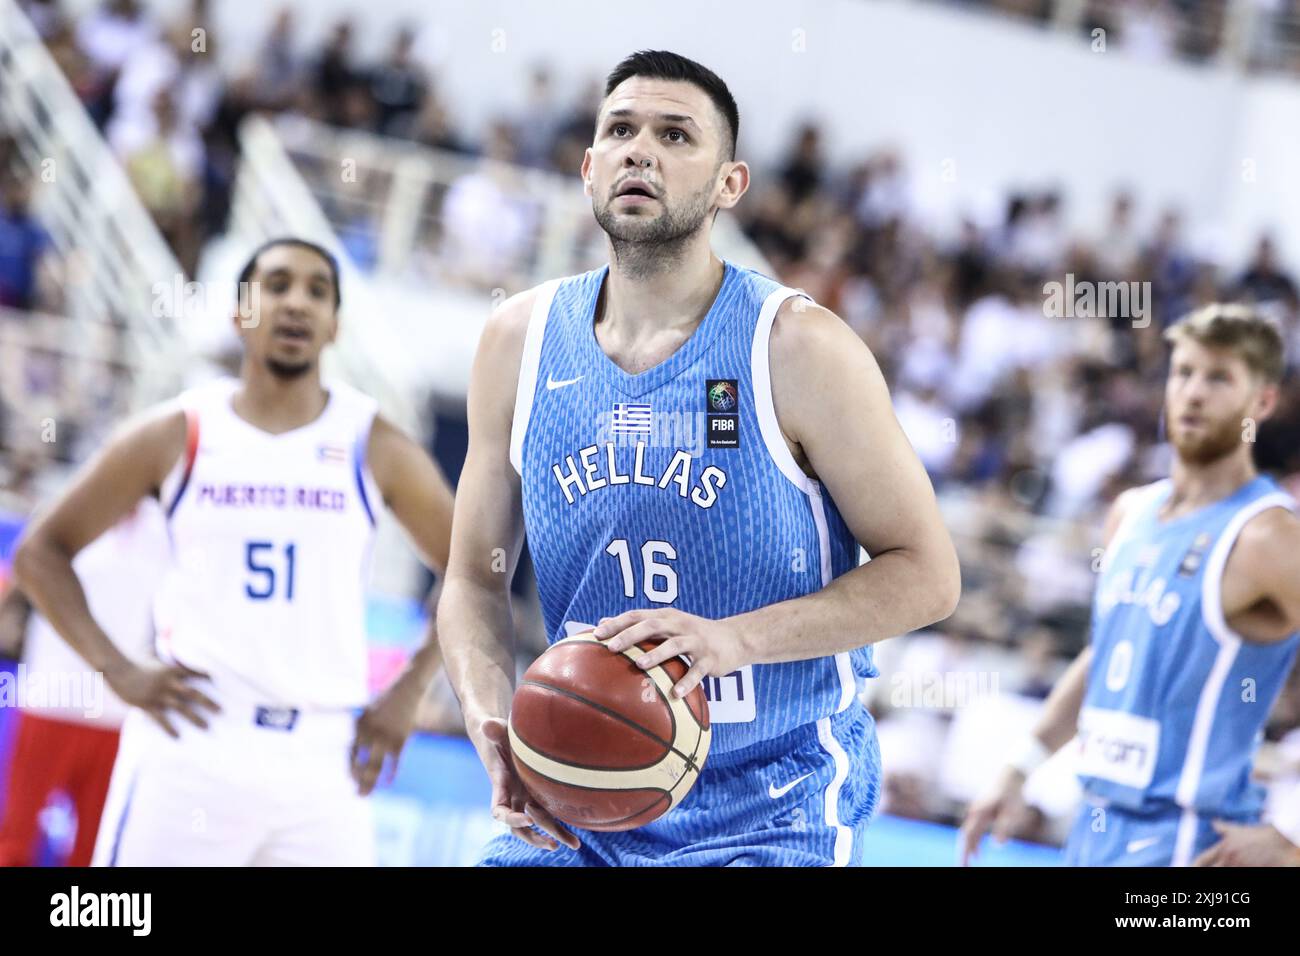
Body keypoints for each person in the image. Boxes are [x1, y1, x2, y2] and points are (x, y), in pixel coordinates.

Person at [437, 50, 960, 867]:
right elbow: (473, 577)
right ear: (587, 168)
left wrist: (730, 642)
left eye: (676, 135)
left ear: (730, 184)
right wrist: (488, 713)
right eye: (621, 130)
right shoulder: (518, 343)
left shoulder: (796, 347)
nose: (640, 150)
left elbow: (928, 574)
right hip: (584, 788)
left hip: (772, 797)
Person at [13, 238, 455, 866]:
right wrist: (119, 672)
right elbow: (41, 553)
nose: (296, 302)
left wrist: (408, 692)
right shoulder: (179, 430)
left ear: (334, 326)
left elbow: (473, 571)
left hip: (324, 759)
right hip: (191, 743)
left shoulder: (372, 442)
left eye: (316, 290)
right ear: (240, 312)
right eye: (276, 285)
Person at [960, 304, 1300, 867]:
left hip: (1196, 848)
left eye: (1220, 378)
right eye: (1184, 372)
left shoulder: (1267, 536)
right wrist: (1019, 765)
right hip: (1095, 831)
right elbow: (1108, 654)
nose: (1194, 393)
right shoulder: (1130, 512)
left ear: (1260, 402)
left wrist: (1291, 838)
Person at [0, 502, 166, 866]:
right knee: (17, 836)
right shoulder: (66, 514)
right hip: (52, 699)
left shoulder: (166, 524)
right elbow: (21, 574)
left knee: (95, 845)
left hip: (118, 711)